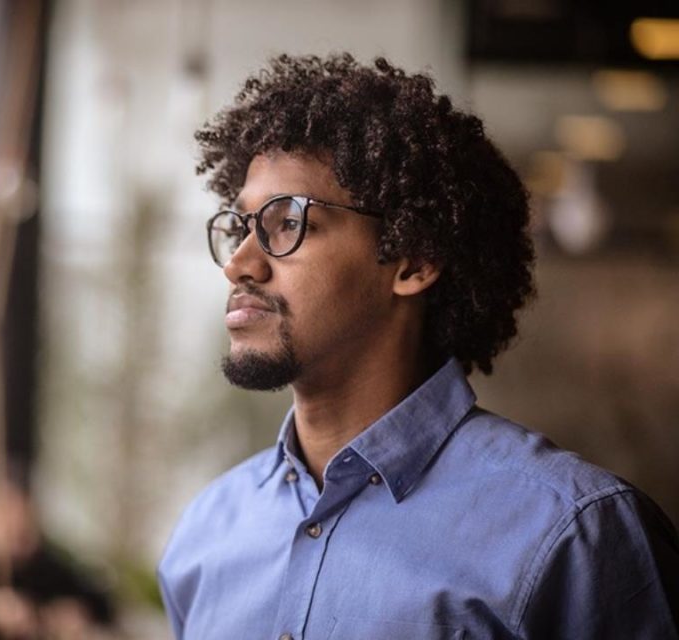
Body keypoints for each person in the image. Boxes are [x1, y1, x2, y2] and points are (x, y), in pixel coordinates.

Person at [157, 54, 679, 640]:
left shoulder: (572, 535)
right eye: (239, 226)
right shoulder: (205, 537)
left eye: (287, 223)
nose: (239, 264)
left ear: (414, 259)